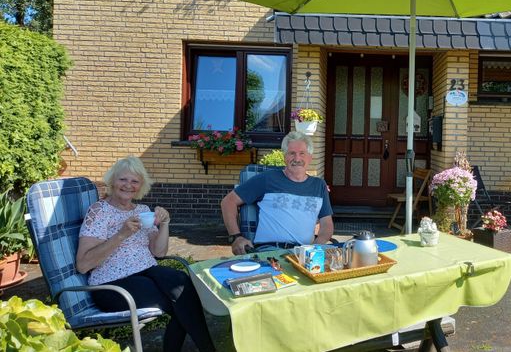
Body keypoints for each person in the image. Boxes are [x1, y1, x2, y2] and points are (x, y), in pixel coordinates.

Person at [76, 156, 215, 352]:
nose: (128, 185)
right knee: (182, 303)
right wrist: (122, 234)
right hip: (112, 284)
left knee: (181, 282)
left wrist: (165, 223)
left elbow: (158, 252)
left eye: (134, 181)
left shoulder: (142, 210)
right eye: (123, 179)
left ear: (141, 185)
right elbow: (83, 264)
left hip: (147, 271)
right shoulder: (99, 212)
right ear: (112, 181)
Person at [222, 131, 334, 255]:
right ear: (284, 157)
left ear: (310, 157)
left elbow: (327, 224)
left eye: (302, 153)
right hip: (270, 251)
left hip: (304, 254)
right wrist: (236, 237)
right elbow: (228, 202)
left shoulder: (319, 185)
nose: (297, 158)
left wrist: (315, 248)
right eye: (292, 153)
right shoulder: (267, 179)